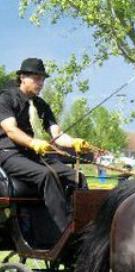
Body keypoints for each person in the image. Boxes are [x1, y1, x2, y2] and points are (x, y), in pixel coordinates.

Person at [0, 57, 90, 233]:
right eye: (36, 78)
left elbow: (57, 135)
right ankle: (65, 231)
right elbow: (11, 130)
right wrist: (33, 142)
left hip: (34, 155)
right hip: (9, 153)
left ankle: (84, 224)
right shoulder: (6, 99)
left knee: (78, 177)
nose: (40, 83)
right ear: (22, 77)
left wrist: (74, 142)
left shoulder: (41, 105)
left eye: (42, 79)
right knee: (46, 175)